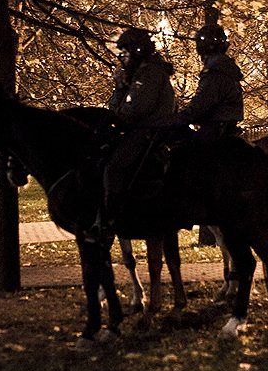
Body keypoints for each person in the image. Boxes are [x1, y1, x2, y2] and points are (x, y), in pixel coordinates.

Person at [89, 27, 176, 243]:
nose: (122, 58)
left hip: (149, 131)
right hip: (137, 127)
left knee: (115, 166)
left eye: (125, 52)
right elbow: (115, 106)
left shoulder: (151, 73)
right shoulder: (137, 74)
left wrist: (119, 116)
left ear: (137, 51)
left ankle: (110, 219)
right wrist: (119, 87)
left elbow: (138, 108)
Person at [177, 23, 244, 139]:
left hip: (217, 126)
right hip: (223, 123)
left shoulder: (216, 71)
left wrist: (178, 118)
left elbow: (202, 102)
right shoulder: (224, 67)